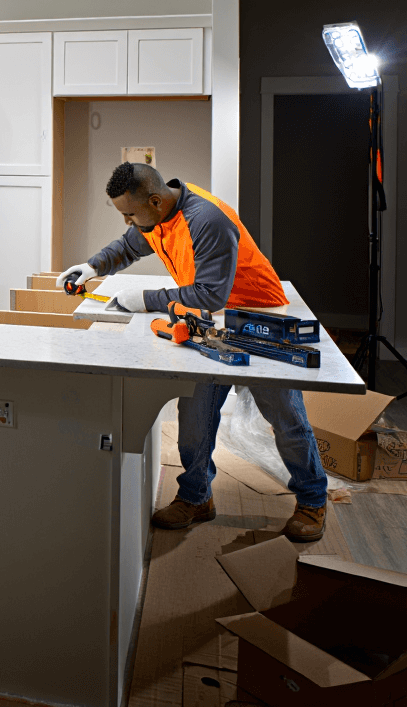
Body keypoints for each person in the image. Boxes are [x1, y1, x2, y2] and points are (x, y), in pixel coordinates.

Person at [56, 162, 329, 542]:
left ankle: (313, 500)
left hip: (259, 317)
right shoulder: (155, 218)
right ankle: (196, 497)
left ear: (155, 200)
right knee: (195, 414)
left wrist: (145, 299)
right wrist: (92, 266)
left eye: (130, 214)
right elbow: (129, 245)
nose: (128, 222)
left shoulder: (207, 220)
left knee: (286, 419)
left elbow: (209, 294)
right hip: (209, 321)